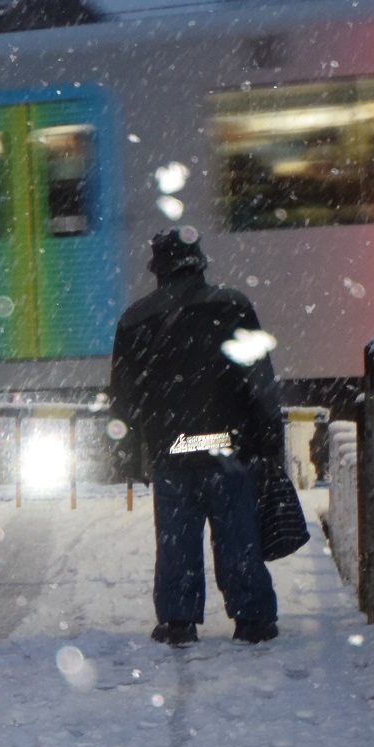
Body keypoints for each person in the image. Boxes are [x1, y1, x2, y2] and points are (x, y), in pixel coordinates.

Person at [109, 227, 283, 646]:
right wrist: (269, 437)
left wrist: (129, 453)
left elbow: (123, 396)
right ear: (199, 262)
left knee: (176, 539)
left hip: (173, 448)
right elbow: (259, 381)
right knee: (238, 534)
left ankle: (177, 619)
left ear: (158, 270)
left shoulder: (135, 319)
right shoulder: (233, 305)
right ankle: (252, 617)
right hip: (227, 444)